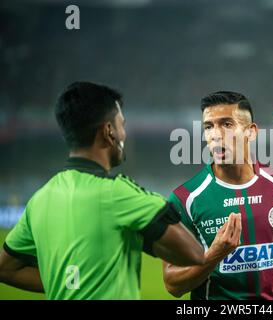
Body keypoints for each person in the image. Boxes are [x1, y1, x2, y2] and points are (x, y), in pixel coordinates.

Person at [0, 81, 204, 299]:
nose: (124, 134)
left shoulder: (40, 199)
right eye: (121, 125)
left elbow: (4, 268)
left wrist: (70, 283)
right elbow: (193, 254)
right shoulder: (121, 194)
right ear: (109, 131)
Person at [163, 91, 273, 300]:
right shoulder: (184, 199)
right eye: (208, 126)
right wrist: (213, 256)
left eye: (227, 124)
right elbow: (172, 284)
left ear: (251, 132)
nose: (216, 135)